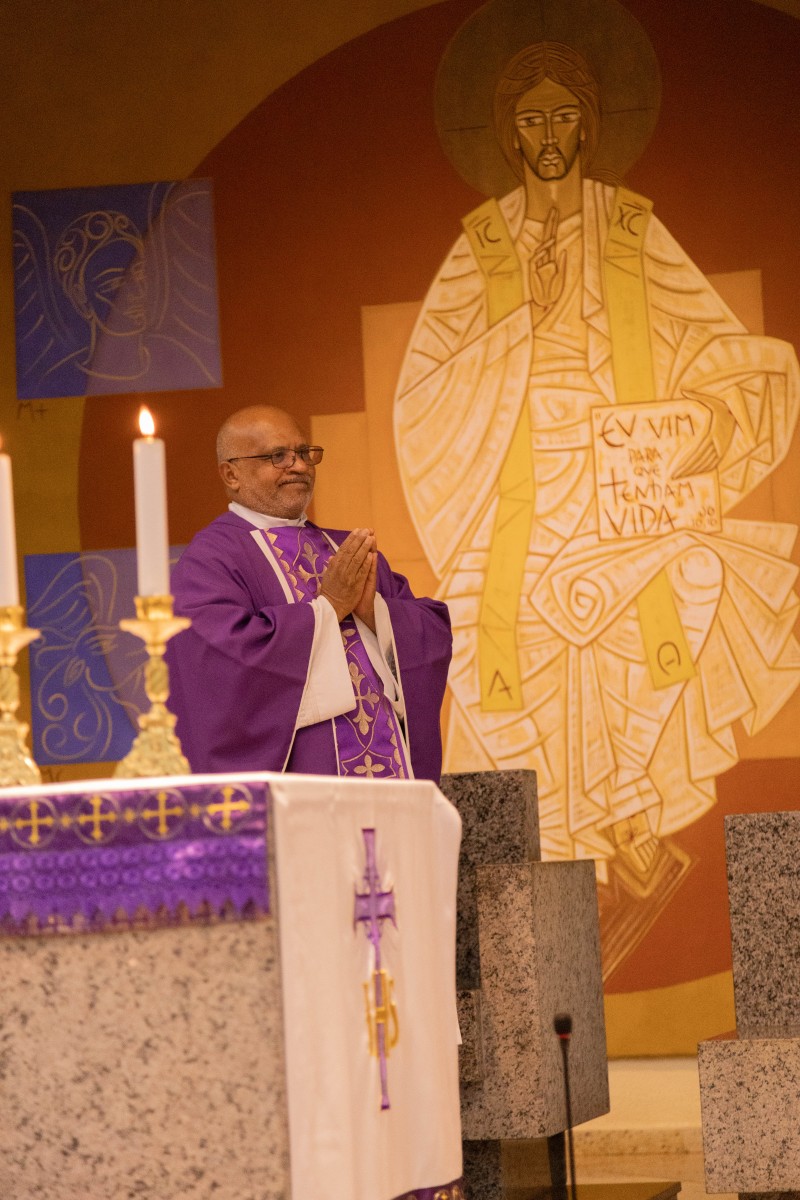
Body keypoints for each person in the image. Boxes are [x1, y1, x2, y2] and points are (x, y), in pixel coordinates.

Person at [394, 41, 800, 902]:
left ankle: (626, 802)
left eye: (564, 115)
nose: (548, 135)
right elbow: (422, 390)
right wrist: (515, 341)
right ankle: (561, 852)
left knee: (682, 587)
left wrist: (718, 412)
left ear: (589, 125)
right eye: (531, 120)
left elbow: (716, 340)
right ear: (508, 134)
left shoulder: (630, 230)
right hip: (517, 484)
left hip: (622, 479)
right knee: (493, 638)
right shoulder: (481, 246)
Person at [166, 404, 452, 781]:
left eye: (304, 453)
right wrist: (328, 608)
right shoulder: (211, 560)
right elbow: (218, 666)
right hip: (304, 787)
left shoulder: (348, 552)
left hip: (390, 779)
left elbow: (429, 635)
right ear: (231, 474)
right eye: (278, 456)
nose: (299, 466)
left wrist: (374, 614)